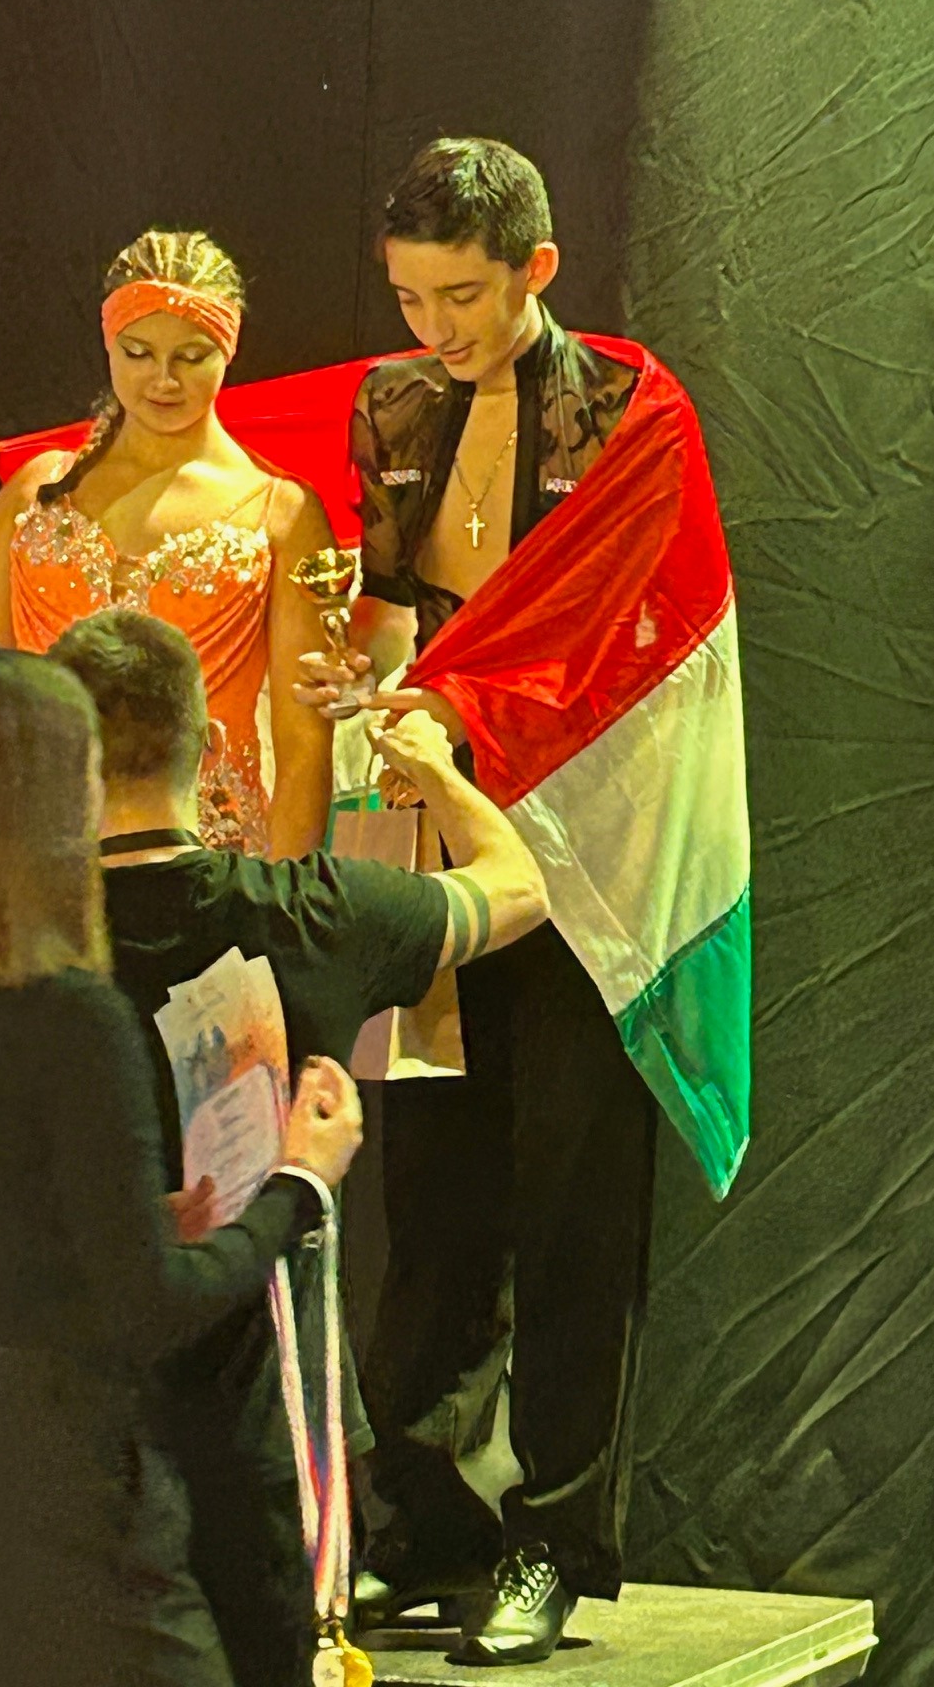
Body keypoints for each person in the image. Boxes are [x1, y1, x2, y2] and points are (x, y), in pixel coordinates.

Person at [295, 138, 663, 1664]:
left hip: (583, 845)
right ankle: (427, 1525)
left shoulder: (630, 411)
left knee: (573, 1197)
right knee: (434, 1190)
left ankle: (554, 1541)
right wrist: (355, 686)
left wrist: (456, 708)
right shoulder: (392, 406)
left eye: (461, 296)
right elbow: (391, 612)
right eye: (410, 297)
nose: (434, 327)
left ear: (536, 271)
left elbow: (622, 630)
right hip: (439, 836)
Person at [0, 646, 364, 1687]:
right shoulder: (74, 1019)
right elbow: (149, 1309)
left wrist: (109, 1226)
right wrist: (299, 1185)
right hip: (74, 1514)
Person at [47, 607, 548, 1687]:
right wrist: (431, 767)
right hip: (263, 1435)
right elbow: (518, 888)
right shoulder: (310, 913)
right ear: (209, 746)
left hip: (62, 1437)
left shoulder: (14, 949)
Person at [0, 228, 336, 857]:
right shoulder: (39, 489)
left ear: (229, 350)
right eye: (137, 353)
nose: (163, 380)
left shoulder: (282, 513)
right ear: (108, 342)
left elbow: (305, 749)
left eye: (192, 356)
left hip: (206, 862)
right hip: (41, 849)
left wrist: (282, 901)